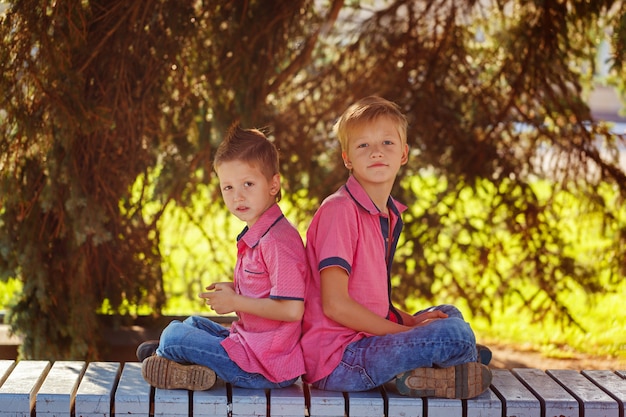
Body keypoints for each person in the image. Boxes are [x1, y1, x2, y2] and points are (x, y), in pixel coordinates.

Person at [300, 96, 492, 399]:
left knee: (446, 314)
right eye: (363, 145)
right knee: (453, 334)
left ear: (403, 154)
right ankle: (454, 364)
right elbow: (334, 305)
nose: (376, 152)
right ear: (347, 158)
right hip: (340, 361)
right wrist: (411, 334)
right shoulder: (340, 210)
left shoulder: (387, 214)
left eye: (387, 143)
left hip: (365, 344)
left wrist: (414, 322)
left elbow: (375, 305)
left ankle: (441, 369)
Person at [137, 124, 308, 391]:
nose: (237, 195)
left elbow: (292, 309)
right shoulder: (260, 233)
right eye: (227, 187)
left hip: (264, 367)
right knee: (194, 323)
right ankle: (175, 361)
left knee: (173, 335)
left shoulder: (277, 241)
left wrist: (235, 301)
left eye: (247, 184)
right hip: (250, 345)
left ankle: (168, 354)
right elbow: (267, 291)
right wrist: (235, 288)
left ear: (273, 184)